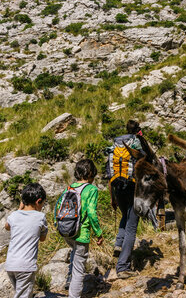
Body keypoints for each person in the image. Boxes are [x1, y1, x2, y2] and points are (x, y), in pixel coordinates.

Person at [60, 159, 104, 298]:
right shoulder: (91, 189)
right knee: (79, 270)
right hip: (81, 233)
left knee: (75, 256)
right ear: (91, 173)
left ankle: (70, 284)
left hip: (67, 231)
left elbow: (58, 207)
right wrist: (98, 233)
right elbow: (91, 212)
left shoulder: (69, 187)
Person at [106, 119, 143, 278]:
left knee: (125, 216)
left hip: (117, 187)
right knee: (132, 226)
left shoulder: (115, 144)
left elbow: (109, 175)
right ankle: (123, 267)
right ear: (137, 130)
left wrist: (112, 198)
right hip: (132, 187)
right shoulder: (137, 143)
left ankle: (118, 244)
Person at [5, 183, 48, 298]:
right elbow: (42, 239)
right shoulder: (40, 217)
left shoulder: (14, 216)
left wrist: (19, 209)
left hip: (10, 264)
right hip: (25, 266)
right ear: (39, 201)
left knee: (19, 293)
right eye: (42, 204)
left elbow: (7, 226)